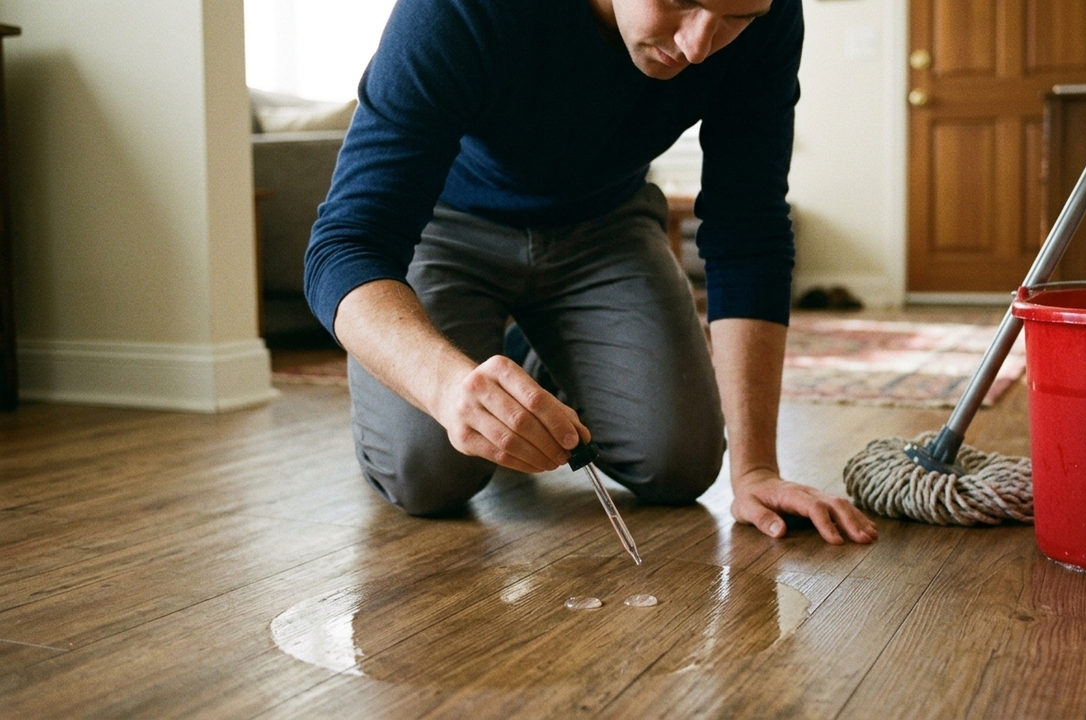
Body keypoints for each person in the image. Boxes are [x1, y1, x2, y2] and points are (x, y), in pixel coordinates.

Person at [304, 0, 878, 545]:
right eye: (678, 1)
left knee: (679, 464)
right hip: (447, 221)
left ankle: (535, 357)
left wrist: (755, 469)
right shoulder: (460, 8)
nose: (700, 46)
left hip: (606, 224)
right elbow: (345, 244)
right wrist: (445, 384)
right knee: (428, 475)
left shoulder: (769, 16)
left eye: (736, 16)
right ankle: (500, 360)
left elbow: (748, 226)